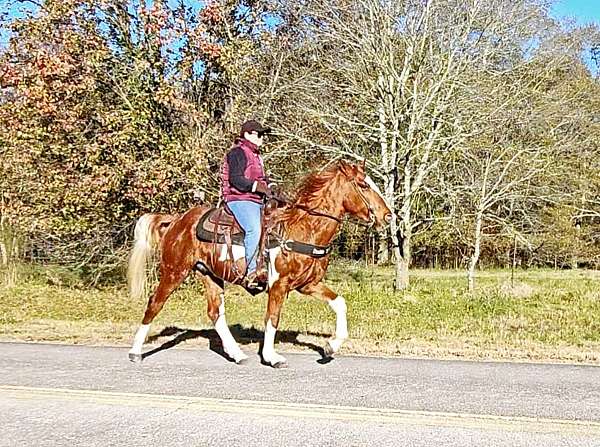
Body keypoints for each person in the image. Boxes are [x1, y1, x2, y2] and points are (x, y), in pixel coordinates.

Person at [221, 119, 273, 287]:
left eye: (263, 135)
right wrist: (258, 186)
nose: (262, 138)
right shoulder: (237, 152)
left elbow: (260, 179)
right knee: (254, 229)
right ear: (247, 134)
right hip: (239, 199)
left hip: (255, 200)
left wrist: (270, 187)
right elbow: (236, 180)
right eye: (259, 134)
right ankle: (251, 272)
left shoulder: (257, 155)